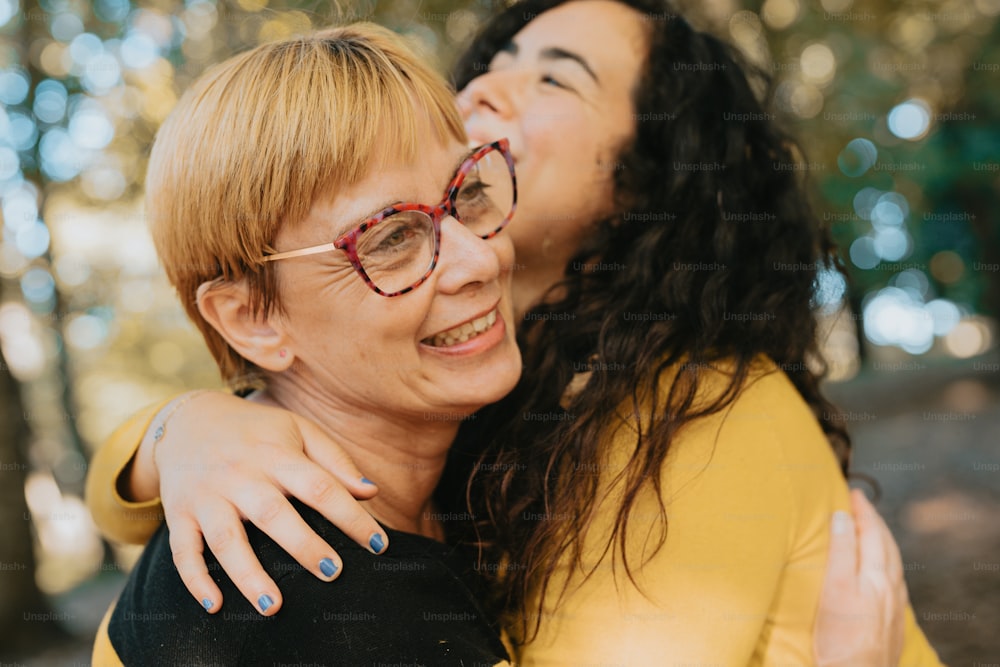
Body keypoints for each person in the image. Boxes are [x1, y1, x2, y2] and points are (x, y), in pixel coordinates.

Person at [87, 0, 944, 665]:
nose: (492, 87)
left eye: (556, 78)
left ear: (650, 179)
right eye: (393, 236)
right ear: (255, 318)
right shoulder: (346, 514)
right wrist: (181, 431)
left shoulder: (701, 406)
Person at [91, 23, 525, 665]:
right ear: (251, 320)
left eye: (469, 194)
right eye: (391, 238)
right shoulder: (307, 601)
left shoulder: (469, 463)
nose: (479, 262)